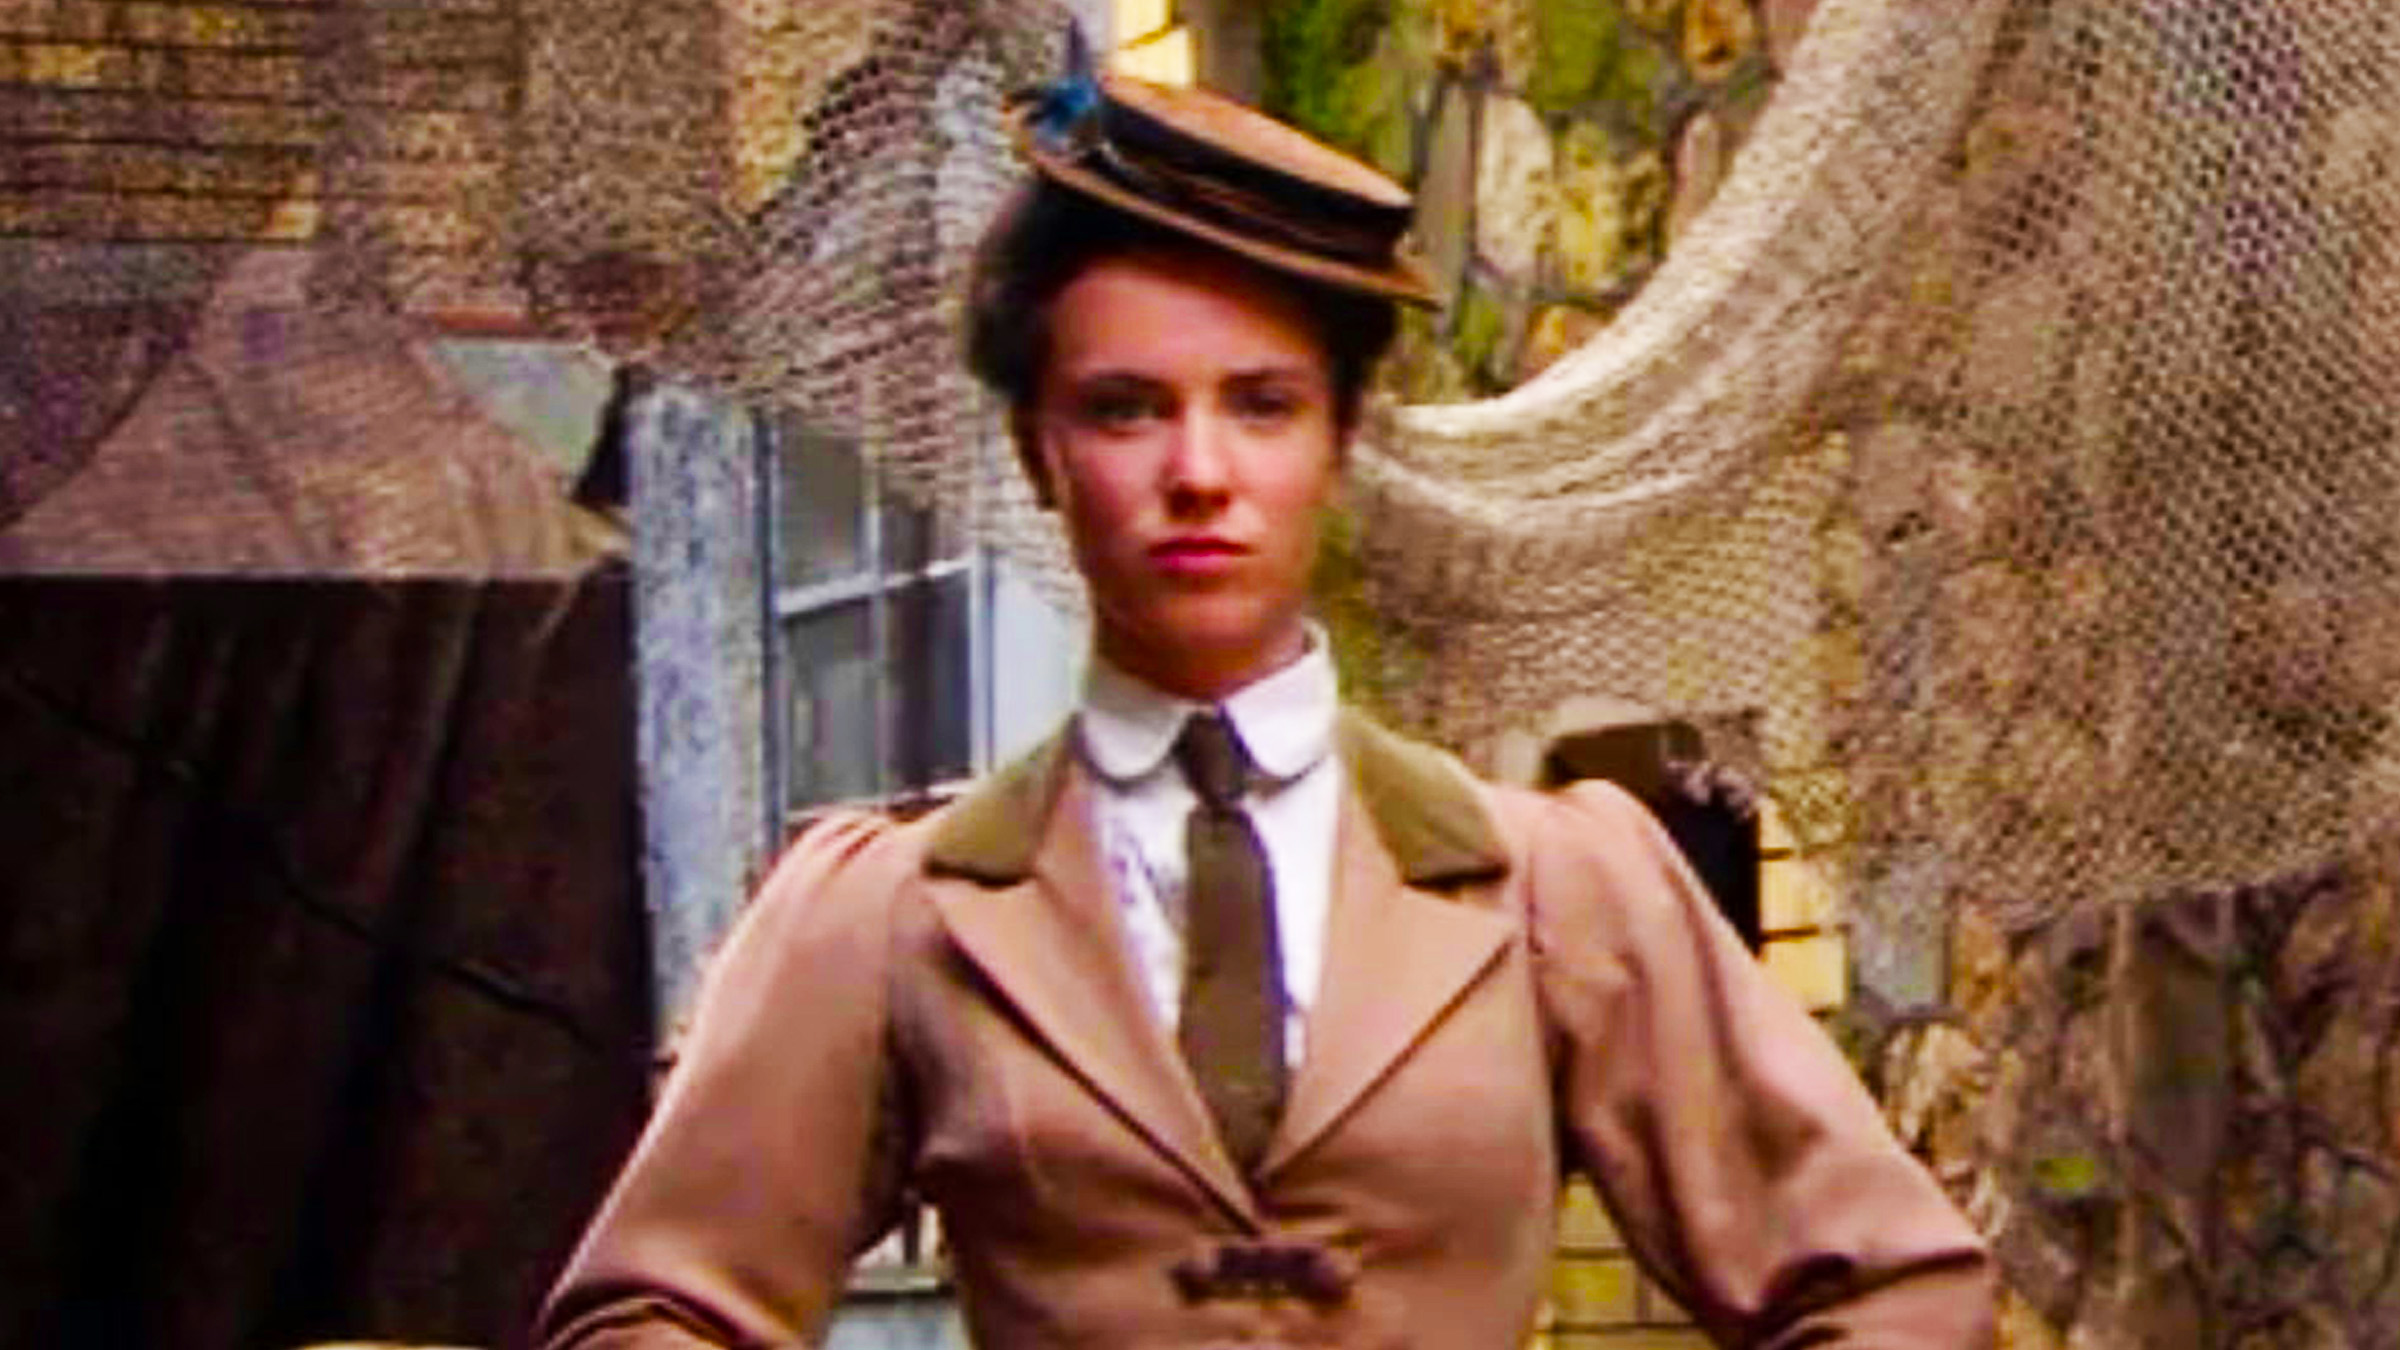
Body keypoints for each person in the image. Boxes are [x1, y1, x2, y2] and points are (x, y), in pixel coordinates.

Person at [535, 69, 1995, 1349]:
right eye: (1124, 408)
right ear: (1039, 453)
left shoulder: (1559, 889)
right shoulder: (897, 913)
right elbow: (657, 1309)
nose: (1198, 473)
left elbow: (1892, 1288)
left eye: (1262, 404)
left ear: (1340, 443)